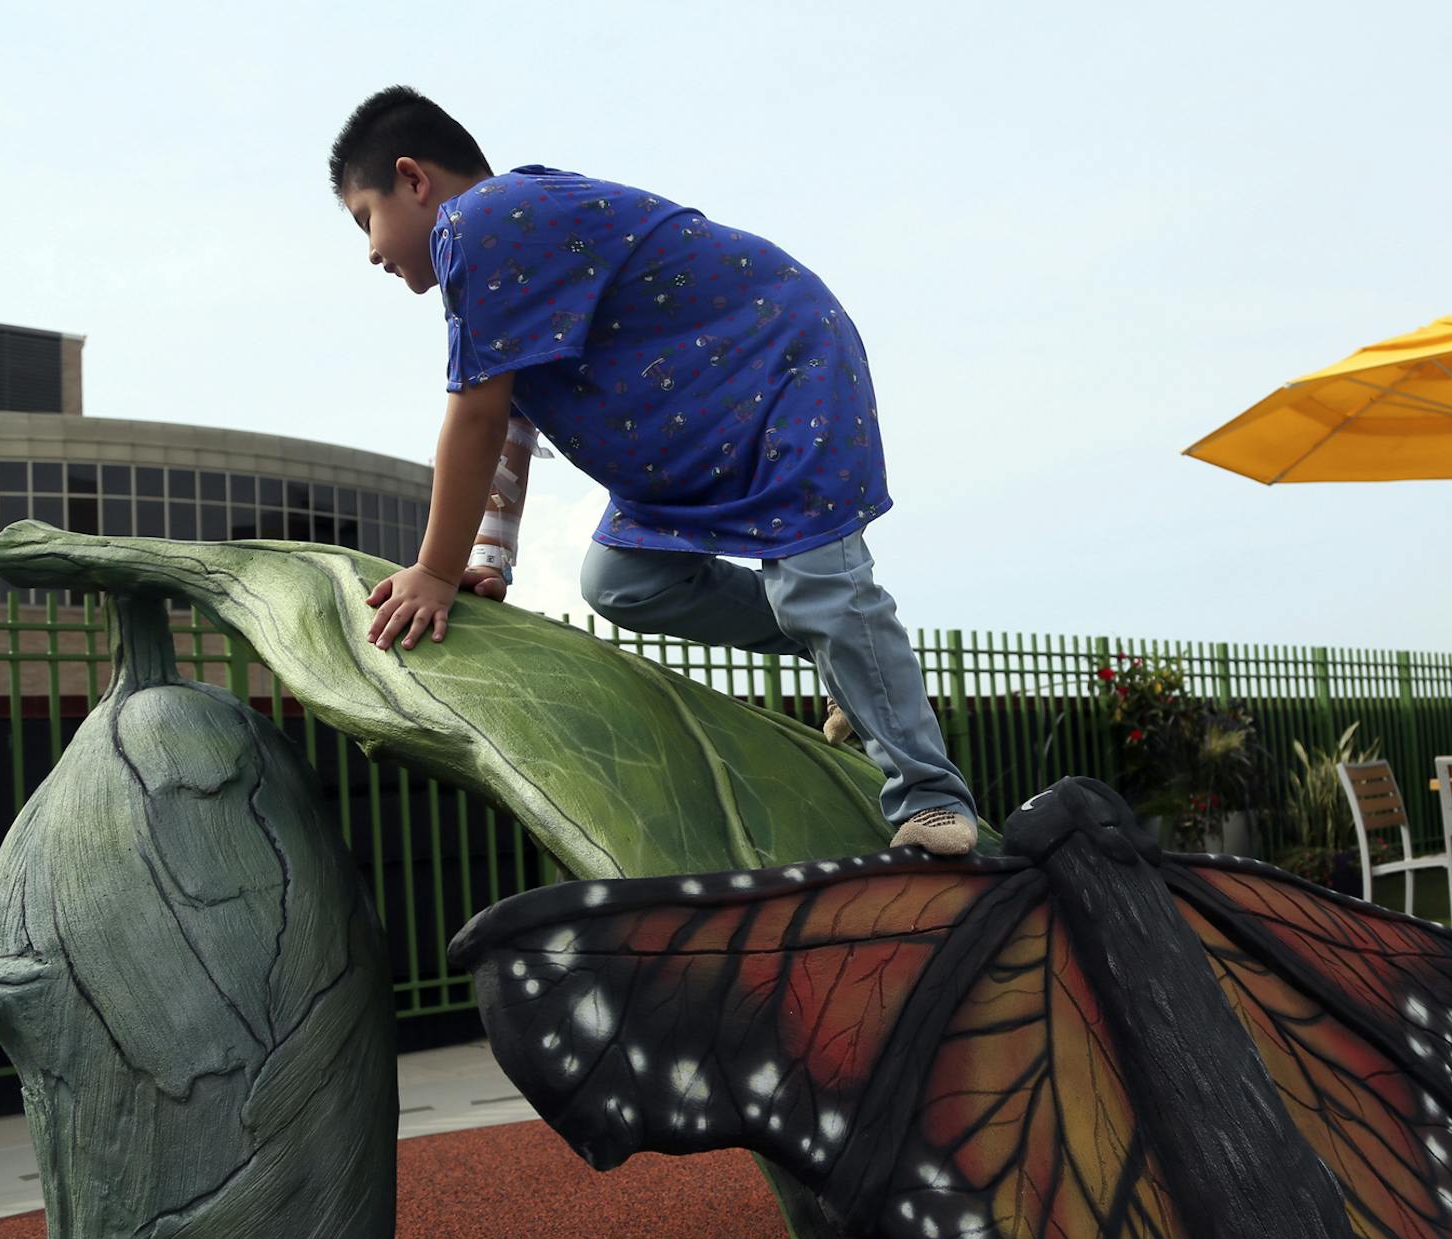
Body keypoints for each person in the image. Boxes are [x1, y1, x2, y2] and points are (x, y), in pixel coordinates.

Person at [328, 86, 977, 854]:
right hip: (699, 419)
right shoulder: (504, 259)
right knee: (621, 581)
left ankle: (931, 798)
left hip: (779, 370)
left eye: (366, 218)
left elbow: (471, 419)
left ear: (413, 179)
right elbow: (508, 419)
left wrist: (432, 571)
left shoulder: (483, 222)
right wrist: (486, 559)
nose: (371, 249)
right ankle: (834, 644)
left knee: (820, 583)